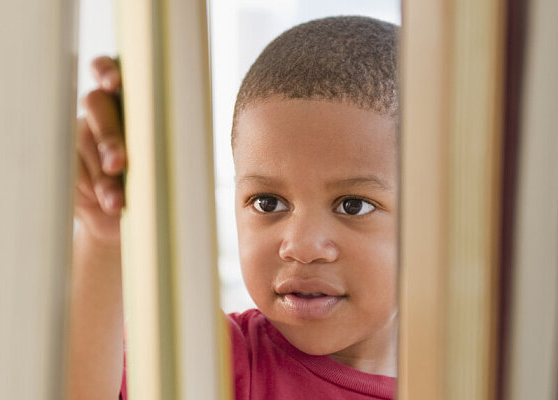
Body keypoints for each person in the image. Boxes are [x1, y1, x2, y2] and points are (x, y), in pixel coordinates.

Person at [70, 16, 399, 399]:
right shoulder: (213, 362)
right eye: (268, 202)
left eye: (353, 206)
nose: (300, 246)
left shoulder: (471, 374)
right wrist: (103, 238)